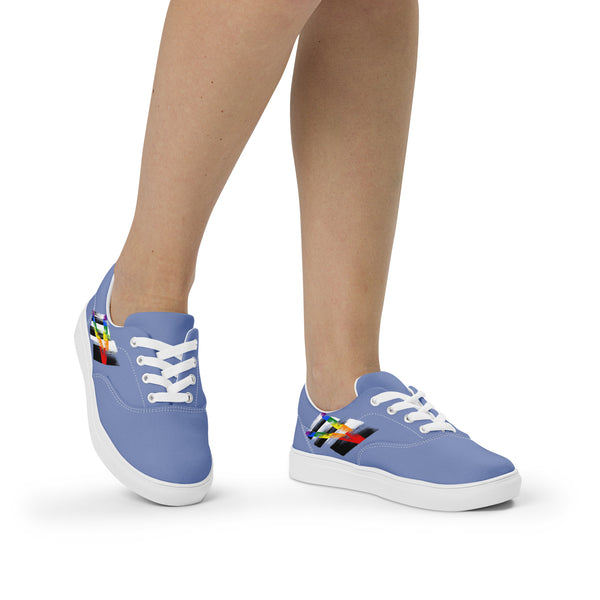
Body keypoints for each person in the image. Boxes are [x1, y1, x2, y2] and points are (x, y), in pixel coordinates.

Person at [75, 0, 520, 510]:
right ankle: (133, 304)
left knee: (366, 3)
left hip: (339, 425)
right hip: (115, 328)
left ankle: (338, 411)